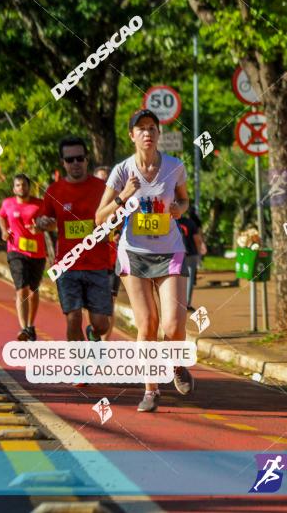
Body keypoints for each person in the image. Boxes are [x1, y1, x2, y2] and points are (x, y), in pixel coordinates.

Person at [97, 109, 193, 413]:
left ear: (158, 134)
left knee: (173, 324)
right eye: (141, 129)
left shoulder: (175, 166)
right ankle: (151, 390)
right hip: (134, 254)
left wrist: (179, 208)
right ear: (132, 135)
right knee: (147, 324)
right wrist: (123, 196)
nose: (147, 133)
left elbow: (184, 199)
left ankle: (177, 364)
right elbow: (99, 219)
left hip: (170, 251)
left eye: (152, 128)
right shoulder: (121, 171)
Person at [36, 137, 114, 352]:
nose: (76, 163)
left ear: (87, 159)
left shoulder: (102, 188)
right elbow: (44, 221)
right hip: (67, 266)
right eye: (70, 159)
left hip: (97, 264)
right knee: (73, 317)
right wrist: (43, 223)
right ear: (63, 162)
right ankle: (80, 363)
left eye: (80, 158)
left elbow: (116, 215)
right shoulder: (54, 191)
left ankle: (92, 333)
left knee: (102, 324)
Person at [0, 174, 47, 341]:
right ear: (14, 188)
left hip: (37, 253)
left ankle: (30, 325)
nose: (21, 188)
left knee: (33, 291)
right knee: (21, 289)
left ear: (29, 187)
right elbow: (1, 216)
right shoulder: (7, 204)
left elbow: (48, 221)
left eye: (24, 185)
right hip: (15, 251)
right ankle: (23, 327)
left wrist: (40, 227)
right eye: (18, 185)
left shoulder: (39, 204)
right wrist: (4, 231)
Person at [177, 211, 206, 311]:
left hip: (175, 254)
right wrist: (199, 254)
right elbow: (197, 239)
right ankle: (187, 303)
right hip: (191, 253)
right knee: (189, 280)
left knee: (175, 279)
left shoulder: (169, 221)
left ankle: (176, 303)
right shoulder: (190, 222)